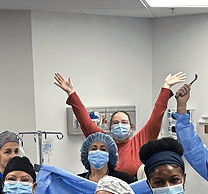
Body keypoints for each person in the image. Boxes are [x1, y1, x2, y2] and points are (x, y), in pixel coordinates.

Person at [54, 71, 186, 179]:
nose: (120, 125)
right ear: (110, 128)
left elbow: (156, 115)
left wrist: (166, 87)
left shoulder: (140, 141)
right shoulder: (103, 143)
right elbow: (84, 120)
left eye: (124, 122)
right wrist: (71, 93)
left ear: (130, 128)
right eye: (115, 123)